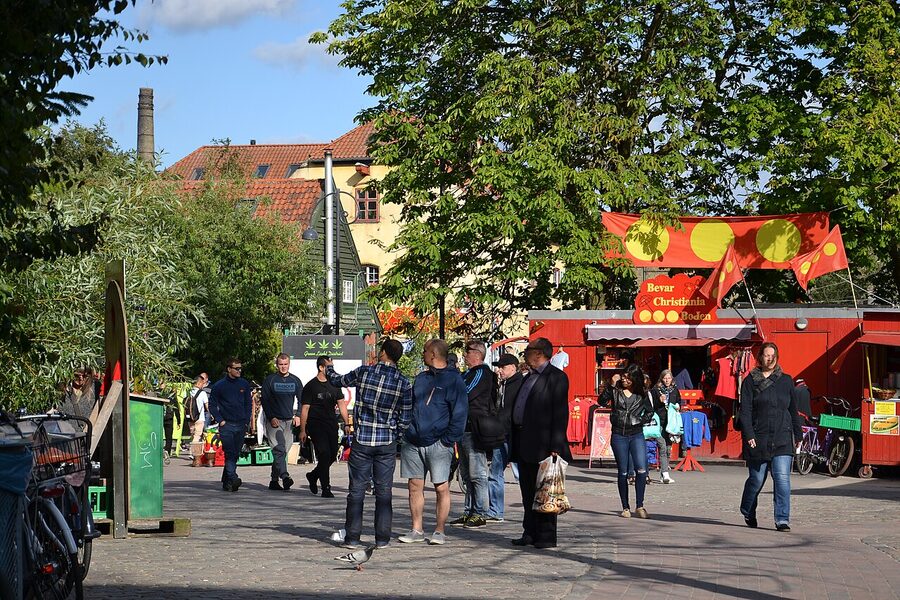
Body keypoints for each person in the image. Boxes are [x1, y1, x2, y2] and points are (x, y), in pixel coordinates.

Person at [325, 339, 413, 550]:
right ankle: (382, 538)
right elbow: (406, 416)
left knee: (356, 490)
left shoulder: (364, 372)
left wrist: (329, 368)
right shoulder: (404, 382)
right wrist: (396, 434)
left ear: (383, 353)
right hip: (386, 442)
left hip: (363, 440)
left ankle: (353, 538)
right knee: (384, 491)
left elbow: (338, 381)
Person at [398, 339, 468, 545]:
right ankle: (416, 529)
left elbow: (460, 414)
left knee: (441, 487)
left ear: (434, 354)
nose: (422, 354)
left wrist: (447, 441)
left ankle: (439, 530)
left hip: (439, 442)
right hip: (413, 441)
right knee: (414, 486)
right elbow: (410, 405)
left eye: (425, 351)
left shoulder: (454, 381)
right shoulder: (421, 378)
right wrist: (407, 430)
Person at [510, 337, 571, 549]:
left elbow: (560, 413)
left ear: (539, 353)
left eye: (528, 350)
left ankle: (546, 535)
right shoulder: (528, 376)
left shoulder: (557, 377)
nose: (525, 354)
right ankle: (529, 531)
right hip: (524, 441)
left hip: (544, 444)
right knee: (527, 490)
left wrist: (556, 445)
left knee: (546, 490)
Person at [739, 342, 802, 532]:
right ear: (760, 358)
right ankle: (748, 510)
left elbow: (793, 410)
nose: (770, 358)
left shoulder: (786, 380)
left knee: (782, 478)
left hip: (782, 436)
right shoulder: (750, 381)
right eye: (766, 355)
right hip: (759, 437)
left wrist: (798, 434)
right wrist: (749, 434)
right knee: (757, 480)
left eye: (773, 355)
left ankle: (782, 519)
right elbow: (745, 411)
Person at [449, 339, 495, 529]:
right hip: (463, 428)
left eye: (467, 351)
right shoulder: (468, 373)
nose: (465, 355)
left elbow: (465, 393)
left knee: (478, 474)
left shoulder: (481, 373)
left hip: (474, 428)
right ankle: (469, 511)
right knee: (467, 474)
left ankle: (480, 512)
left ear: (477, 353)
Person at [601, 363, 654, 518]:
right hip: (619, 435)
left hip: (636, 434)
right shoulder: (615, 390)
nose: (624, 379)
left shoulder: (642, 393)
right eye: (623, 376)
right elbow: (601, 401)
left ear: (635, 379)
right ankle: (625, 507)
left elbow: (650, 411)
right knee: (623, 471)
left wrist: (640, 420)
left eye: (628, 378)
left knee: (641, 469)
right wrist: (611, 385)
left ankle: (640, 505)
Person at [300, 356, 350, 498]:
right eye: (329, 367)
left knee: (332, 454)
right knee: (324, 453)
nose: (332, 369)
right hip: (316, 425)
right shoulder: (310, 386)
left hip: (331, 424)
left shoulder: (335, 385)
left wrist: (347, 423)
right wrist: (303, 430)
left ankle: (313, 475)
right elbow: (305, 409)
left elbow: (342, 405)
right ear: (321, 368)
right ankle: (326, 487)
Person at [486, 352, 522, 521]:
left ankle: (530, 510)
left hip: (514, 435)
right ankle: (495, 511)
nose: (499, 370)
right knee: (495, 473)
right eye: (498, 367)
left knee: (523, 475)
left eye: (503, 367)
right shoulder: (503, 384)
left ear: (513, 368)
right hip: (501, 434)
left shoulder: (520, 384)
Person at [260, 353, 304, 491]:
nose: (283, 367)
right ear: (277, 365)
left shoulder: (295, 380)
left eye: (285, 364)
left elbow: (302, 399)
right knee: (278, 449)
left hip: (289, 421)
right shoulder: (270, 380)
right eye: (281, 364)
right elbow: (265, 400)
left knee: (283, 451)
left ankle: (274, 481)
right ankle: (285, 477)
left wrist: (298, 415)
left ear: (289, 364)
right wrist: (271, 417)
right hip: (274, 420)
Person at [209, 358, 253, 492]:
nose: (239, 371)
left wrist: (246, 420)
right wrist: (220, 420)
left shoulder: (244, 384)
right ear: (229, 369)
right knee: (230, 452)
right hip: (226, 425)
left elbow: (248, 403)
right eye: (236, 368)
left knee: (234, 454)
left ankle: (227, 481)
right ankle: (233, 478)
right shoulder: (219, 385)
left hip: (240, 424)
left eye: (240, 368)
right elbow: (212, 405)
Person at [648, 369, 682, 484]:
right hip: (659, 422)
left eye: (669, 378)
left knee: (667, 448)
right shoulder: (655, 390)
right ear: (661, 379)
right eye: (665, 378)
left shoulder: (675, 390)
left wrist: (678, 406)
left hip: (670, 423)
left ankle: (664, 473)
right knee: (661, 446)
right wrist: (659, 400)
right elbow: (651, 406)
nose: (667, 380)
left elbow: (679, 402)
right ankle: (663, 474)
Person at [187, 373, 210, 467]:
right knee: (197, 436)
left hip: (190, 418)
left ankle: (194, 452)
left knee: (193, 435)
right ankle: (194, 455)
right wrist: (211, 413)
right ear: (200, 383)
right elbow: (207, 406)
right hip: (199, 418)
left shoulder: (188, 392)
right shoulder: (203, 393)